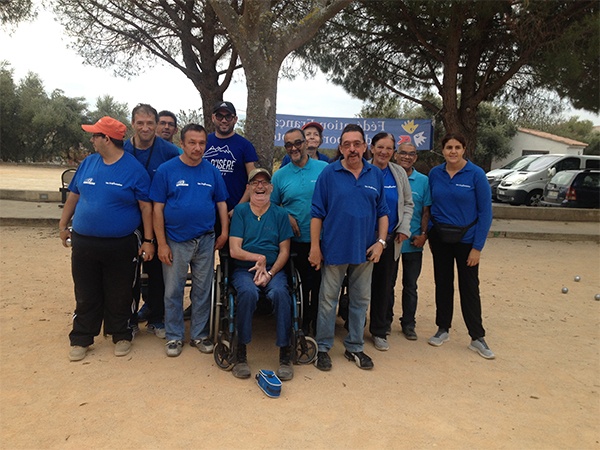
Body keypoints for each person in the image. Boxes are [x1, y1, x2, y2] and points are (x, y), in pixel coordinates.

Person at [59, 116, 155, 362]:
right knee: (85, 290)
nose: (91, 139)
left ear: (107, 139)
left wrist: (148, 239)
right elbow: (73, 196)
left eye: (95, 135)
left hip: (120, 243)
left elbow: (146, 208)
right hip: (84, 242)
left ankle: (121, 334)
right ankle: (82, 337)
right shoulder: (88, 163)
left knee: (120, 291)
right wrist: (62, 225)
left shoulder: (134, 169)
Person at [309, 124, 389, 371]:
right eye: (347, 144)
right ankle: (322, 348)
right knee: (327, 301)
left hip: (365, 251)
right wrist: (315, 247)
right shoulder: (328, 173)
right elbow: (316, 213)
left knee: (360, 300)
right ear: (340, 148)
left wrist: (381, 243)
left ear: (365, 147)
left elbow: (383, 213)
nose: (352, 149)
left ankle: (354, 347)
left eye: (357, 144)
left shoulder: (375, 174)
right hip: (333, 249)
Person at [150, 124, 229, 357]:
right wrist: (161, 243)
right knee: (173, 290)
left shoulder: (212, 171)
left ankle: (199, 335)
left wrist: (223, 231)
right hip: (175, 240)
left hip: (206, 240)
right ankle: (174, 337)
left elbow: (221, 202)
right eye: (192, 142)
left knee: (202, 290)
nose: (197, 147)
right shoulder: (166, 171)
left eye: (202, 143)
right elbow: (157, 209)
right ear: (181, 144)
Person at [427, 132, 495, 359]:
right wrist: (428, 231)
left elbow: (485, 213)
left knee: (469, 287)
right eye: (448, 147)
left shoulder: (476, 175)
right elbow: (429, 205)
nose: (453, 151)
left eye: (457, 147)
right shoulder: (435, 174)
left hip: (467, 241)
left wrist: (478, 247)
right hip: (441, 238)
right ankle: (442, 329)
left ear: (464, 149)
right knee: (443, 284)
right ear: (442, 150)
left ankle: (477, 337)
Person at [229, 169, 295, 380]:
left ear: (271, 188)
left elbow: (284, 251)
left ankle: (285, 352)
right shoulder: (240, 211)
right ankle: (241, 352)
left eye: (264, 182)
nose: (260, 186)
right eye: (255, 182)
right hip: (244, 268)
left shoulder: (280, 214)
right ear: (248, 188)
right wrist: (259, 258)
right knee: (247, 293)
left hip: (274, 270)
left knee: (280, 294)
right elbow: (234, 250)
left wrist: (270, 271)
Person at [124, 103, 180, 339]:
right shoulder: (123, 149)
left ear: (156, 125)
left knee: (157, 269)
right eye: (140, 123)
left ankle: (156, 319)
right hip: (129, 219)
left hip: (159, 220)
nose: (145, 128)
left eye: (150, 123)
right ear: (133, 124)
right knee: (129, 271)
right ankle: (129, 318)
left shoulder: (169, 151)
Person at [271, 128, 327, 336]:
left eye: (297, 143)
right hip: (293, 241)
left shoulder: (324, 169)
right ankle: (299, 326)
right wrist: (285, 213)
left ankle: (316, 328)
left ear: (306, 143)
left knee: (320, 287)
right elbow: (272, 205)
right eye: (288, 145)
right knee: (299, 286)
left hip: (322, 240)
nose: (293, 148)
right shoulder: (279, 176)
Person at [368, 133, 414, 351]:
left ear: (393, 152)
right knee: (358, 285)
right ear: (371, 148)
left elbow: (408, 203)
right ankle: (353, 326)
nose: (383, 152)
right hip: (365, 239)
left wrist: (404, 228)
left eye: (388, 148)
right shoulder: (362, 169)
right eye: (380, 147)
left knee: (384, 287)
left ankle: (379, 330)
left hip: (390, 240)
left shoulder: (398, 174)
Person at [393, 143, 432, 341]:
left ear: (415, 158)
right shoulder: (388, 175)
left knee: (410, 285)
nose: (406, 157)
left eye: (411, 154)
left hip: (413, 242)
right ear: (395, 155)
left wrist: (424, 234)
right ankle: (384, 319)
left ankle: (408, 323)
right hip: (391, 243)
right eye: (402, 153)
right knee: (386, 284)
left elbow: (426, 211)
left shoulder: (424, 181)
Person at [204, 101, 258, 213]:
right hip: (205, 211)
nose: (224, 120)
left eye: (228, 116)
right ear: (213, 118)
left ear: (235, 119)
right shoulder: (203, 142)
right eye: (219, 116)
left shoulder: (245, 145)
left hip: (235, 212)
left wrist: (238, 209)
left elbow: (253, 180)